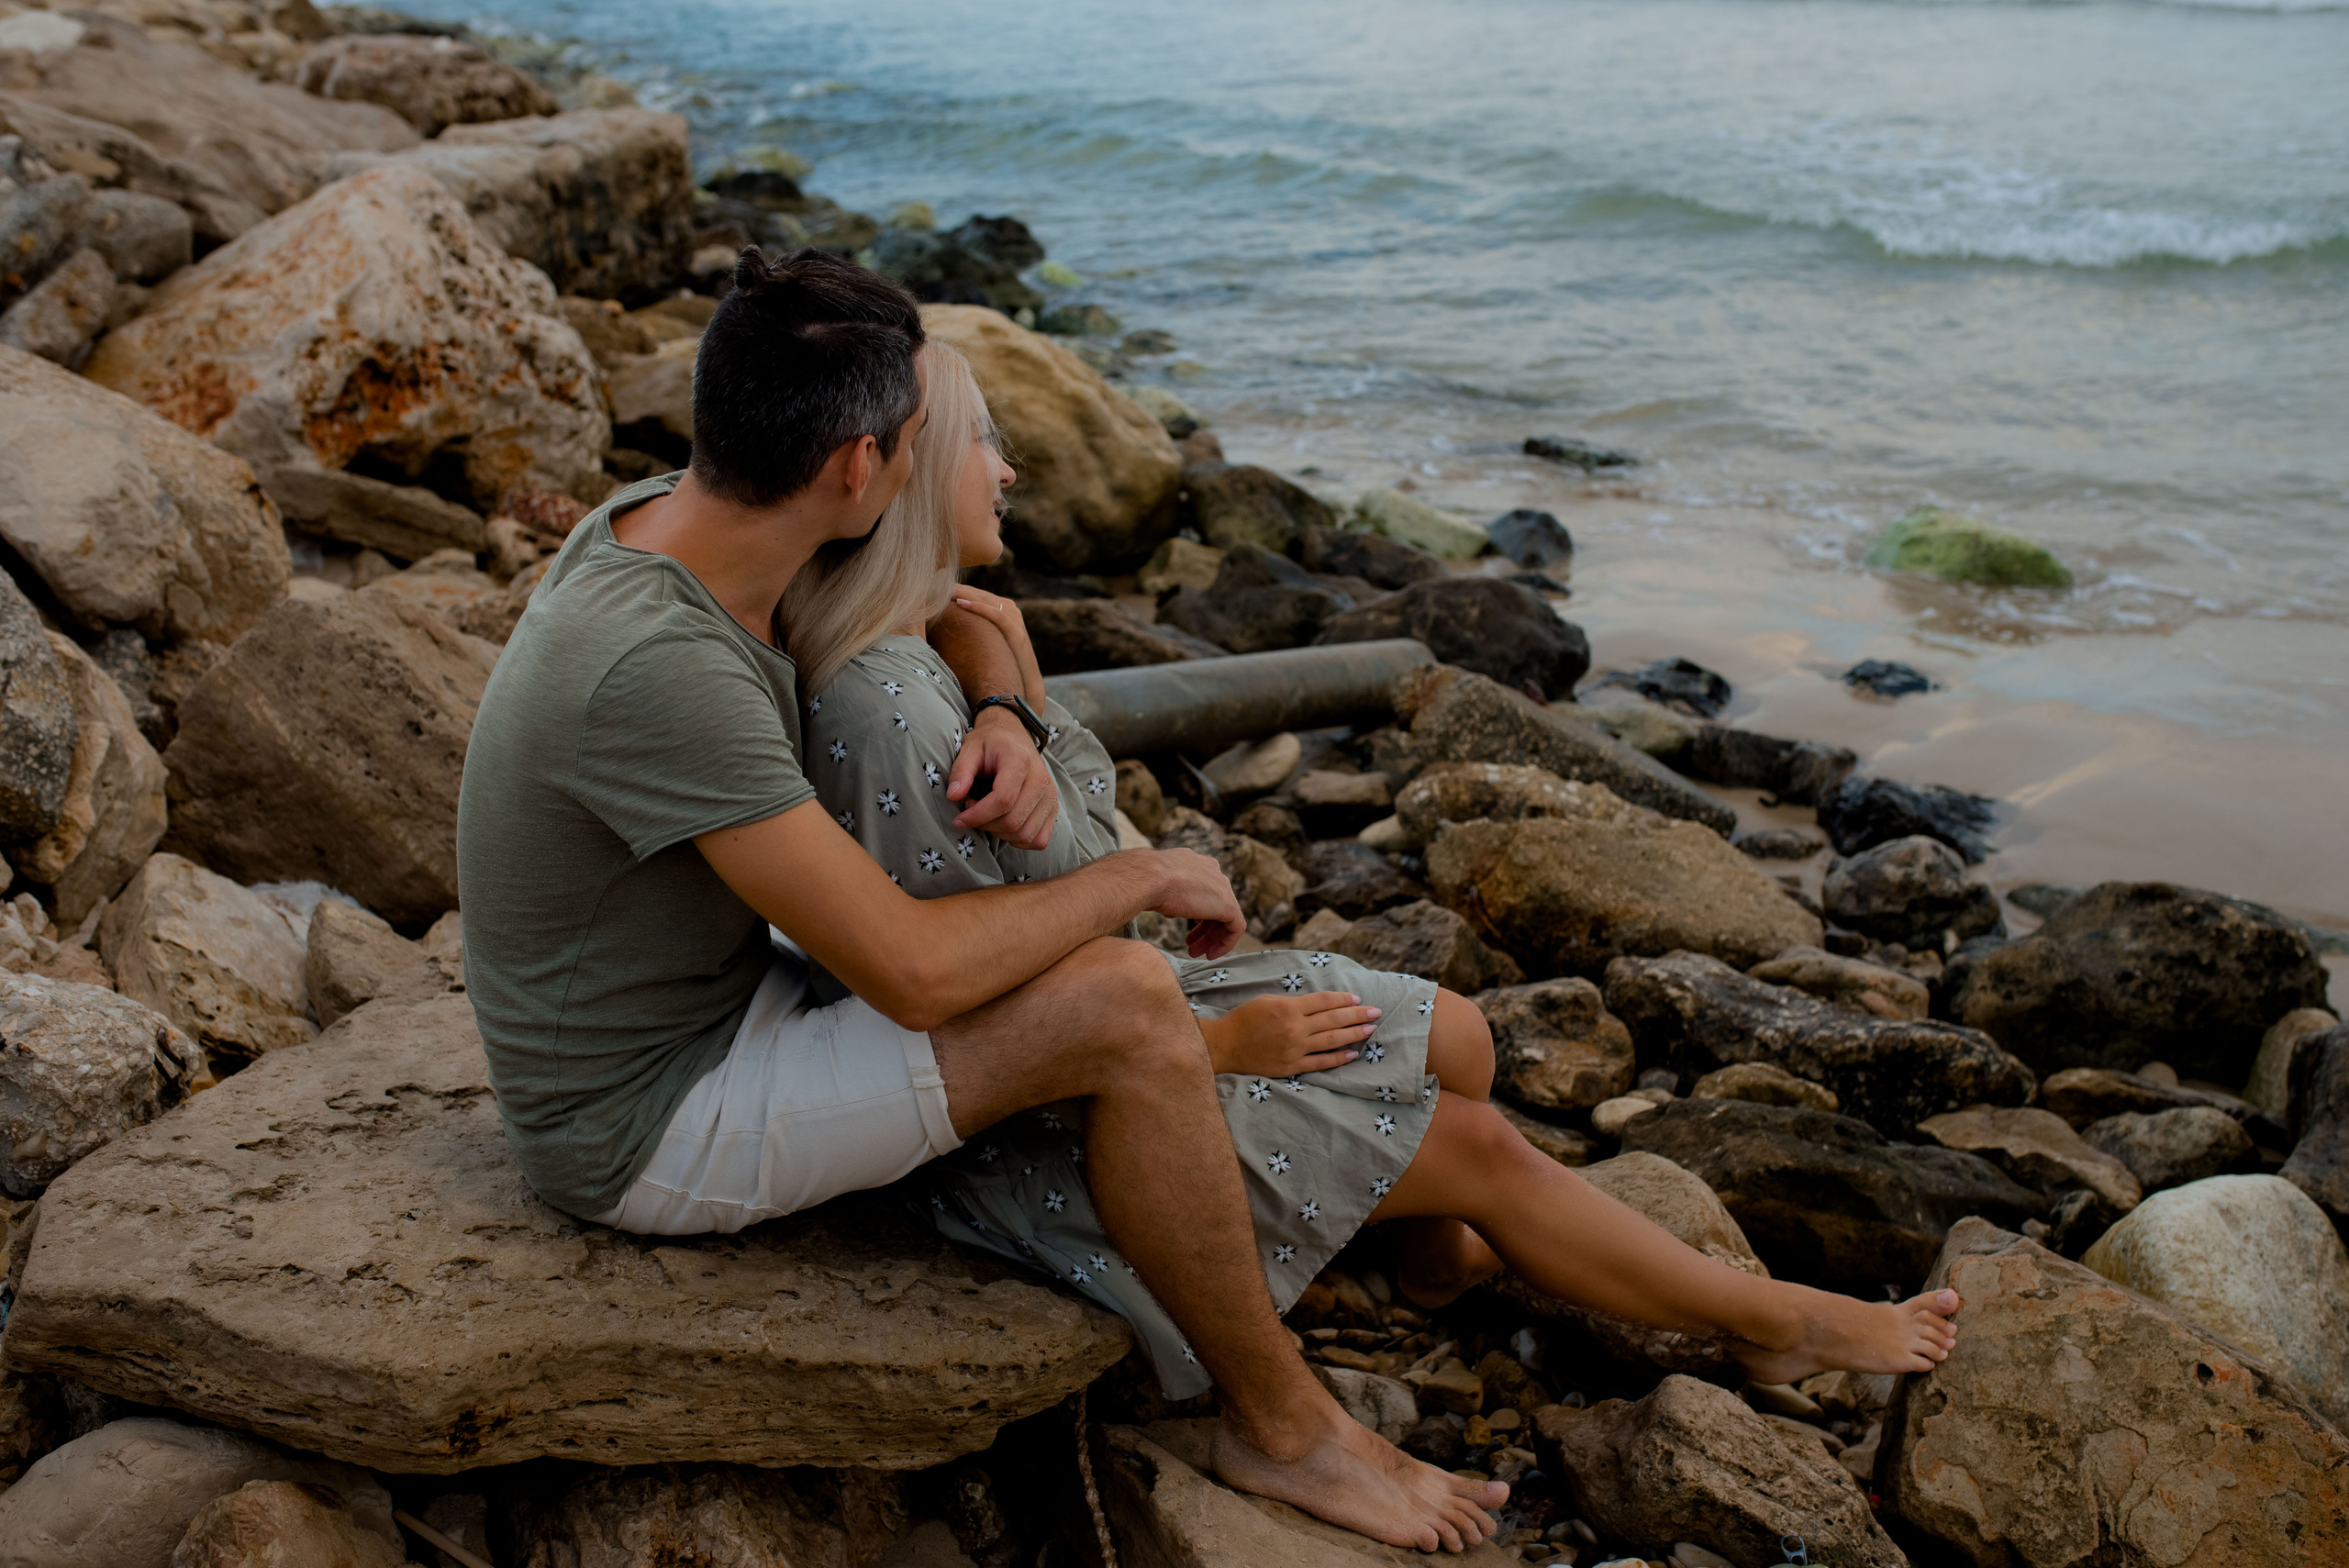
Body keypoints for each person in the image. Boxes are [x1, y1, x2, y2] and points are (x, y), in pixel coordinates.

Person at [455, 248, 1508, 1553]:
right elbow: (915, 972)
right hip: (643, 1121)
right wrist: (1140, 872)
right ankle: (1284, 1427)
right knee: (1124, 1000)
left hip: (706, 1008)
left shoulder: (675, 522)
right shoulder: (658, 664)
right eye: (911, 443)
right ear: (855, 468)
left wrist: (1005, 699)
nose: (920, 471)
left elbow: (951, 604)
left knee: (1119, 993)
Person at [785, 339, 1967, 1410]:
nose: (1009, 467)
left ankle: (1432, 1258)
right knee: (1489, 1151)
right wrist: (1213, 1049)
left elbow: (975, 623)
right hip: (1055, 1115)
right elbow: (957, 1025)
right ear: (905, 467)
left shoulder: (945, 633)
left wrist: (1003, 682)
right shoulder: (883, 713)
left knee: (1463, 1039)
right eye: (983, 440)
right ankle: (1776, 1324)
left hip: (1128, 997)